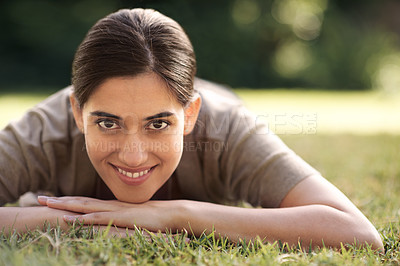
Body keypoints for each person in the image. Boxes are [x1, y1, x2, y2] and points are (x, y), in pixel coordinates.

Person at [0, 8, 383, 250]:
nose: (133, 154)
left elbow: (356, 232)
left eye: (158, 124)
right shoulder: (44, 131)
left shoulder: (227, 129)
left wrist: (177, 215)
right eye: (107, 123)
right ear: (77, 112)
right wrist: (74, 220)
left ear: (190, 115)